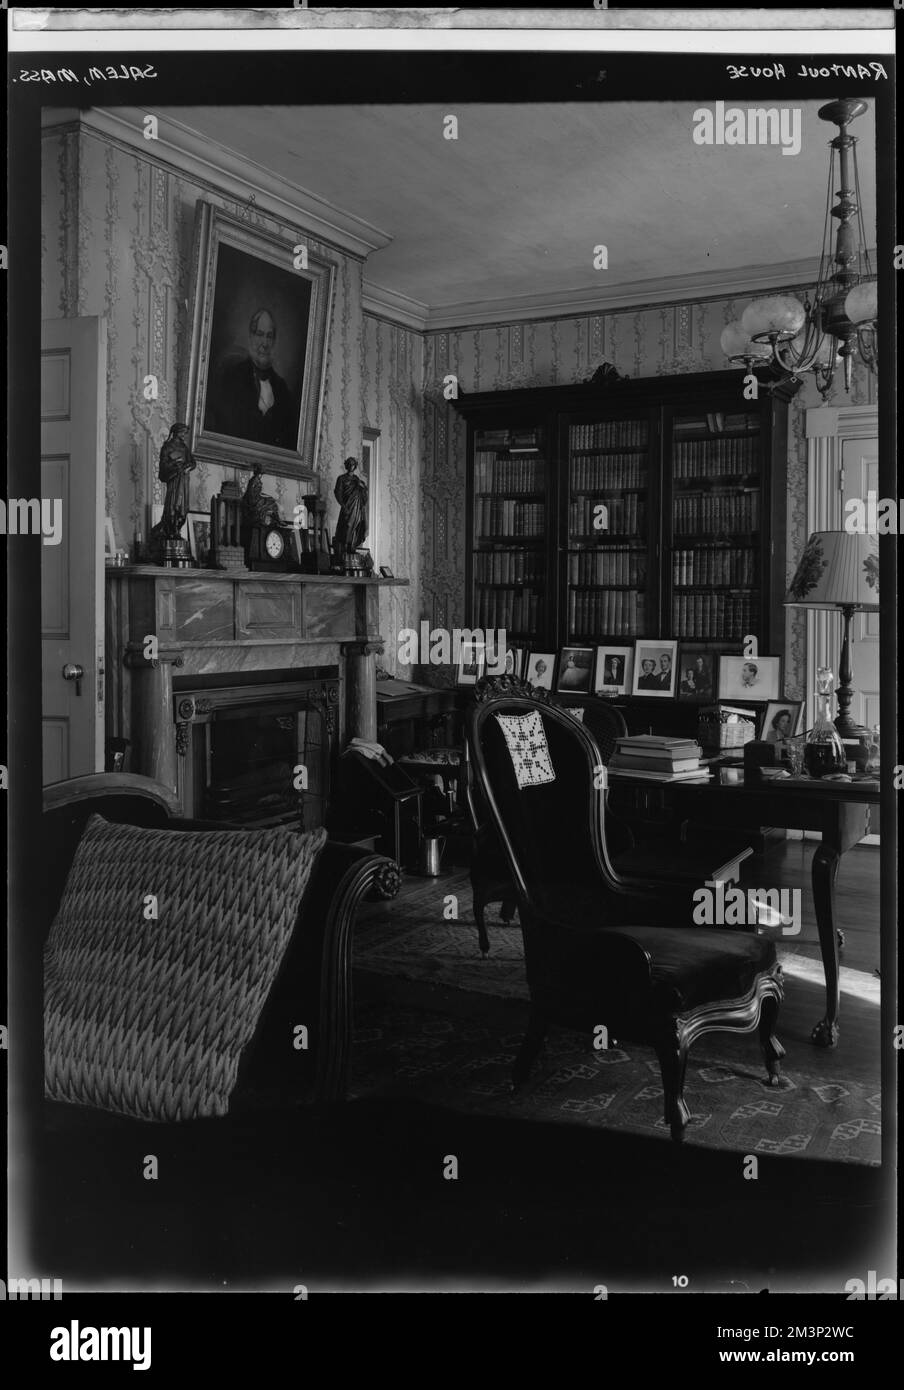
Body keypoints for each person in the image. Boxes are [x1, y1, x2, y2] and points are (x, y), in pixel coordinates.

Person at [209, 308, 299, 449]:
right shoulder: (233, 376)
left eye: (269, 336)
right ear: (251, 336)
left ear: (274, 341)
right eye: (260, 334)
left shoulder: (282, 388)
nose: (264, 343)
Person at [333, 456, 369, 559]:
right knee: (346, 527)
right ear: (346, 465)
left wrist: (363, 488)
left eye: (353, 464)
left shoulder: (356, 480)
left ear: (355, 466)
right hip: (347, 508)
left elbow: (363, 492)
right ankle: (344, 550)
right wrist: (343, 505)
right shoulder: (341, 479)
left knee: (355, 528)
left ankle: (351, 547)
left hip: (357, 508)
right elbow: (338, 493)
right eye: (349, 463)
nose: (351, 466)